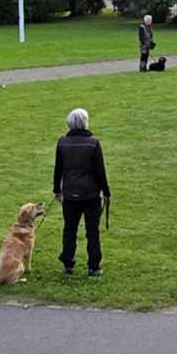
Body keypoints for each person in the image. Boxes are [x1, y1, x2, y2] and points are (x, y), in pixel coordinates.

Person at [52, 108, 111, 277]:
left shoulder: (62, 142)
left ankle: (68, 263)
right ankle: (94, 266)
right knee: (92, 231)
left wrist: (57, 190)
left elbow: (58, 169)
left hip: (70, 191)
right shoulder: (93, 143)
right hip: (90, 192)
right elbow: (100, 171)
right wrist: (106, 192)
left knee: (69, 228)